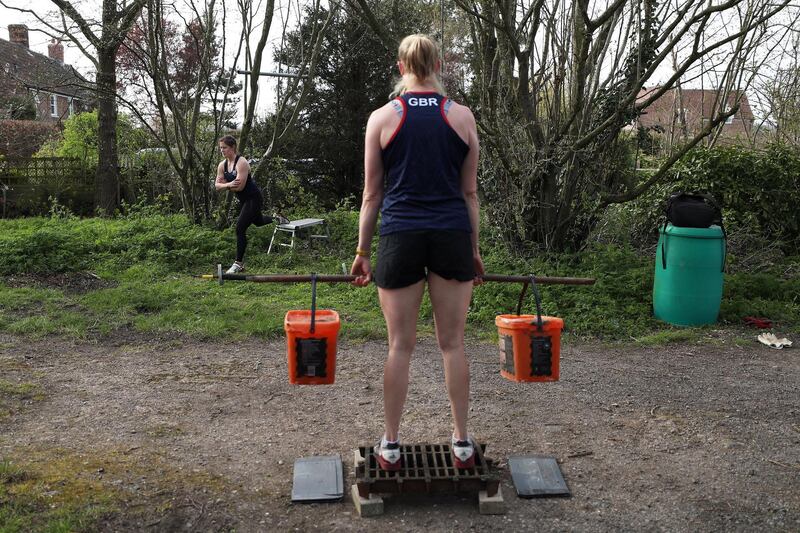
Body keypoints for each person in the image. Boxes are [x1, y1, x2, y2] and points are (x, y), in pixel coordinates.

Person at [351, 34, 484, 471]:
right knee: (453, 345)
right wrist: (474, 249)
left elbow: (372, 196)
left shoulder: (381, 118)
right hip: (451, 235)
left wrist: (363, 250)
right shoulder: (462, 117)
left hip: (400, 236)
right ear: (439, 65)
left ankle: (390, 445)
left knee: (399, 347)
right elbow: (469, 194)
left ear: (400, 65)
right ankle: (462, 443)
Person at [215, 136, 284, 274]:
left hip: (253, 198)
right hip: (243, 200)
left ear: (233, 147)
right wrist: (228, 184)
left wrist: (225, 186)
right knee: (258, 222)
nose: (222, 150)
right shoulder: (222, 165)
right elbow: (217, 186)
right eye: (221, 147)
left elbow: (239, 187)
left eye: (225, 147)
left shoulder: (242, 163)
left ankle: (238, 264)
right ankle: (278, 218)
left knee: (240, 228)